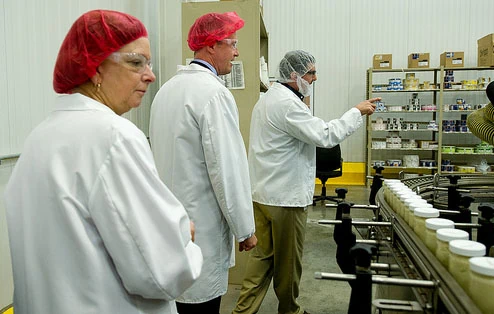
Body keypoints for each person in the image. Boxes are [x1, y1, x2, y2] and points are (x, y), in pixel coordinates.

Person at [4, 10, 204, 314]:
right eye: (136, 62)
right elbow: (161, 273)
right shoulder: (113, 136)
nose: (150, 75)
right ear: (94, 67)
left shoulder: (39, 138)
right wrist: (183, 241)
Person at [232, 50, 380, 314]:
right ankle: (291, 311)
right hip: (284, 198)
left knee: (262, 258)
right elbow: (325, 135)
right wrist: (356, 112)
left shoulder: (269, 99)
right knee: (288, 262)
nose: (314, 77)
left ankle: (243, 311)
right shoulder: (287, 105)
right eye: (310, 73)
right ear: (294, 75)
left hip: (263, 193)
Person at [149, 11, 257, 313]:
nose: (236, 53)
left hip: (169, 226)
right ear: (211, 45)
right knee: (201, 305)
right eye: (232, 44)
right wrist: (245, 229)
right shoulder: (213, 94)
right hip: (203, 228)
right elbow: (228, 171)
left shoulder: (166, 91)